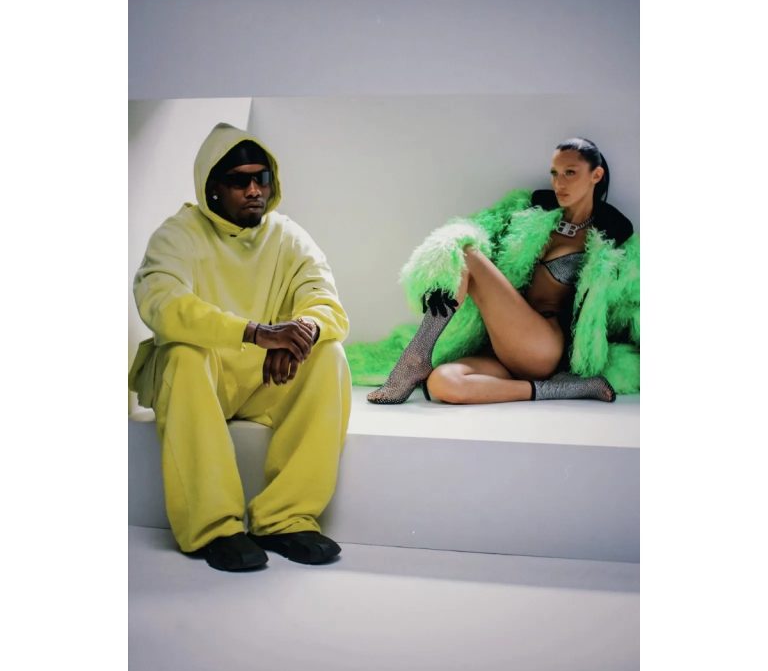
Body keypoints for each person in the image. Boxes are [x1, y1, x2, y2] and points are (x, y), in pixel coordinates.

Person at [129, 122, 352, 572]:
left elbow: (324, 300)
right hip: (199, 381)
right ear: (211, 188)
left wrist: (300, 332)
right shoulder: (178, 235)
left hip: (264, 378)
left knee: (329, 353)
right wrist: (255, 332)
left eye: (261, 179)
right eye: (239, 181)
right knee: (182, 354)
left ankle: (285, 518)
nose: (254, 191)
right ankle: (213, 528)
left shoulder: (288, 236)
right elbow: (163, 304)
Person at [358, 137, 639, 404]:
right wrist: (443, 273)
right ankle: (563, 389)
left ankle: (415, 359)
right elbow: (477, 227)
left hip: (543, 347)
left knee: (466, 254)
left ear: (596, 175)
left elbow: (633, 303)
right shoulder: (530, 213)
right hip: (501, 345)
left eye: (570, 173)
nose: (559, 183)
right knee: (442, 384)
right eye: (554, 173)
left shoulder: (610, 239)